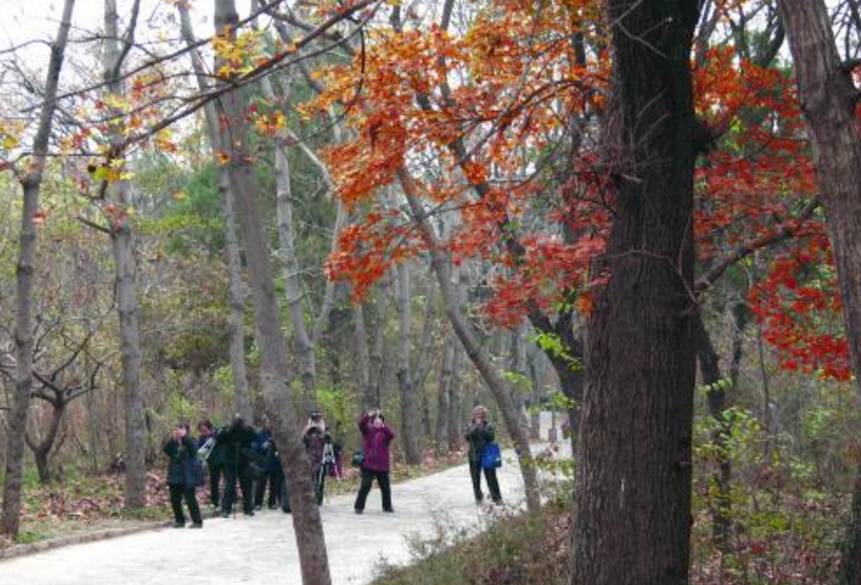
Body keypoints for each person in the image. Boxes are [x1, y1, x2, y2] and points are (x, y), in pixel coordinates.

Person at [354, 409, 395, 514]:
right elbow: (361, 424)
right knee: (365, 485)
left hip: (382, 465)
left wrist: (383, 427)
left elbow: (391, 435)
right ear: (372, 422)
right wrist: (369, 415)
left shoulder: (385, 434)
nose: (377, 422)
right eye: (375, 421)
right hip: (369, 464)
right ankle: (359, 507)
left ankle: (387, 507)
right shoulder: (368, 431)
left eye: (379, 420)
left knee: (385, 487)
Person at [163, 422, 203, 528]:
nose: (178, 431)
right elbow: (166, 450)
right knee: (174, 499)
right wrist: (173, 439)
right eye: (177, 429)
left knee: (190, 499)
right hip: (175, 475)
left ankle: (197, 521)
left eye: (181, 428)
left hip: (187, 475)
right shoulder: (174, 442)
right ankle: (180, 520)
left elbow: (193, 449)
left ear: (186, 430)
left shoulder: (191, 440)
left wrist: (184, 437)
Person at [217, 415, 256, 517]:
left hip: (243, 461)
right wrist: (227, 430)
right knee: (230, 485)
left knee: (246, 485)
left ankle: (248, 508)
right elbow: (218, 438)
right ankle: (226, 509)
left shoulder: (247, 431)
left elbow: (253, 437)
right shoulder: (228, 431)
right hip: (230, 461)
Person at [465, 405, 502, 505]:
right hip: (473, 455)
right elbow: (467, 437)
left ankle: (496, 498)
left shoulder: (489, 425)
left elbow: (490, 437)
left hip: (487, 454)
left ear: (484, 415)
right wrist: (475, 427)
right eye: (477, 414)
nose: (479, 416)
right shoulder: (469, 425)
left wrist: (481, 428)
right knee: (475, 478)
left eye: (481, 414)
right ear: (474, 415)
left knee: (491, 477)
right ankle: (478, 497)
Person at [253, 418, 285, 510]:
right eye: (268, 423)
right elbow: (255, 447)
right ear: (264, 423)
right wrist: (263, 446)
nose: (270, 424)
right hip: (263, 461)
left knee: (274, 484)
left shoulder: (276, 434)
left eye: (271, 422)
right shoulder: (259, 434)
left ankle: (272, 503)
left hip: (274, 461)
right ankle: (258, 503)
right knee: (261, 483)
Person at [303, 410, 333, 505]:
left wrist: (323, 431)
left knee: (320, 478)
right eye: (315, 417)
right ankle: (309, 498)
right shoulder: (308, 428)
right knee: (310, 477)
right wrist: (308, 429)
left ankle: (318, 499)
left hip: (321, 456)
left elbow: (328, 440)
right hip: (310, 456)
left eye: (318, 417)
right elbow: (303, 439)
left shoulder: (324, 427)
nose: (316, 420)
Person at [197, 420, 224, 509]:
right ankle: (215, 501)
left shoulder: (218, 432)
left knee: (229, 480)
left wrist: (215, 436)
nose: (203, 432)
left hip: (223, 460)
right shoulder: (201, 438)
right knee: (214, 481)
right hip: (212, 461)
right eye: (201, 430)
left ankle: (231, 499)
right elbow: (200, 449)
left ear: (210, 428)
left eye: (204, 430)